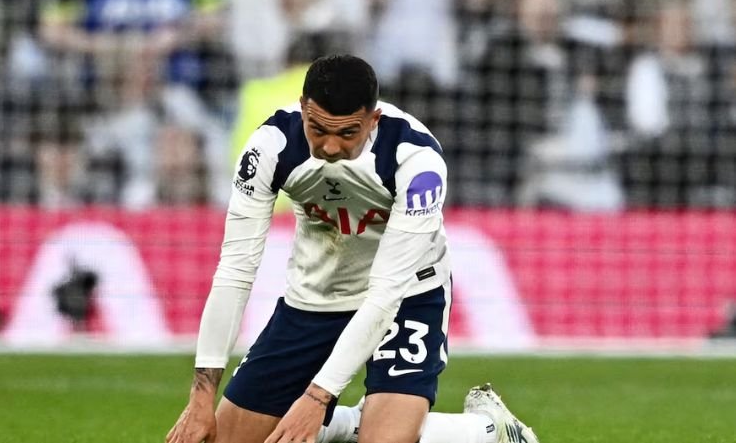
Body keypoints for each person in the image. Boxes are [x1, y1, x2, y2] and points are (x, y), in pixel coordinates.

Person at [166, 55, 539, 443]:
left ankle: (489, 428)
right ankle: (352, 422)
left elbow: (386, 293)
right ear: (303, 108)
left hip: (408, 295)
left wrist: (317, 397)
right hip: (315, 297)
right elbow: (235, 270)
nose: (330, 146)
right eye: (318, 129)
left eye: (347, 133)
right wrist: (201, 396)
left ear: (373, 120)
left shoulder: (416, 161)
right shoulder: (270, 147)